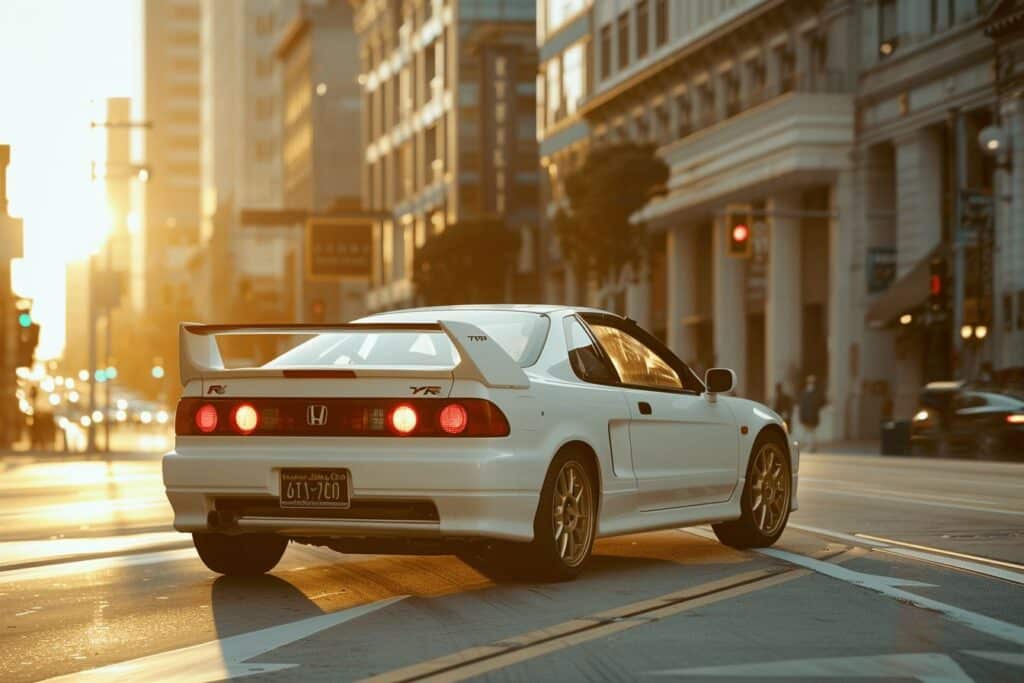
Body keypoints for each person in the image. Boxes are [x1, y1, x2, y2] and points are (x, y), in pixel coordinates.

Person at [798, 375, 824, 452]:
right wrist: (801, 416)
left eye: (812, 382)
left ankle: (812, 447)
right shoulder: (804, 393)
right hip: (807, 416)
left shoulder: (816, 393)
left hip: (813, 416)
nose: (811, 383)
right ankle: (809, 446)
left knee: (812, 432)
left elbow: (820, 403)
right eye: (810, 382)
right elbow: (802, 406)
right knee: (808, 432)